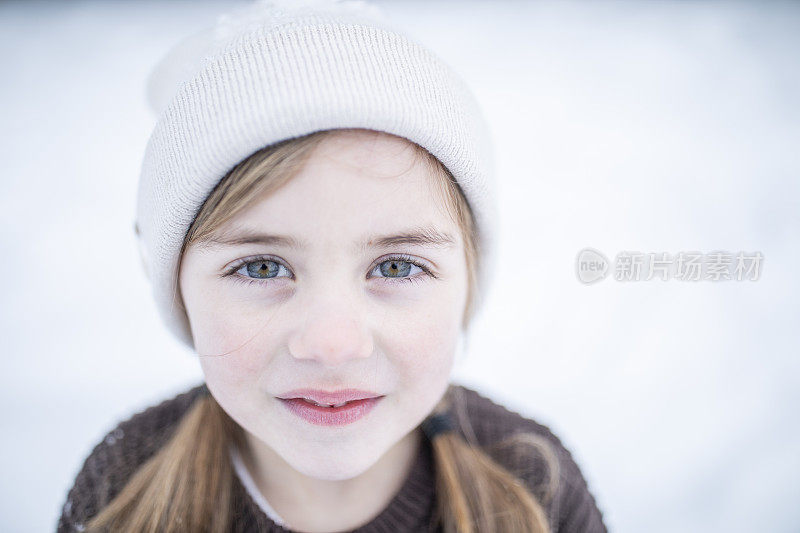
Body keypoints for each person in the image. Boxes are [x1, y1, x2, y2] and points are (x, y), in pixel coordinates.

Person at [57, 1, 607, 532]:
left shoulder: (534, 486)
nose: (333, 344)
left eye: (395, 267)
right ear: (177, 289)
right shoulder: (123, 485)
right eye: (263, 268)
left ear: (467, 283)